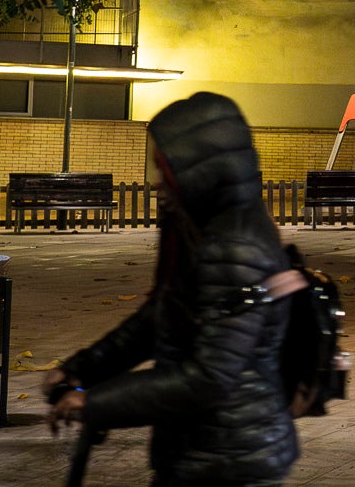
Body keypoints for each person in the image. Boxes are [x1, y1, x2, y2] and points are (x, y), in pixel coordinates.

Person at [43, 92, 298, 486]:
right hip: (203, 450)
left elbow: (208, 378)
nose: (158, 182)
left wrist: (97, 403)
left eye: (168, 170)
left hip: (230, 459)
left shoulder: (234, 249)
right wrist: (81, 369)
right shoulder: (203, 231)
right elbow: (160, 318)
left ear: (203, 170)